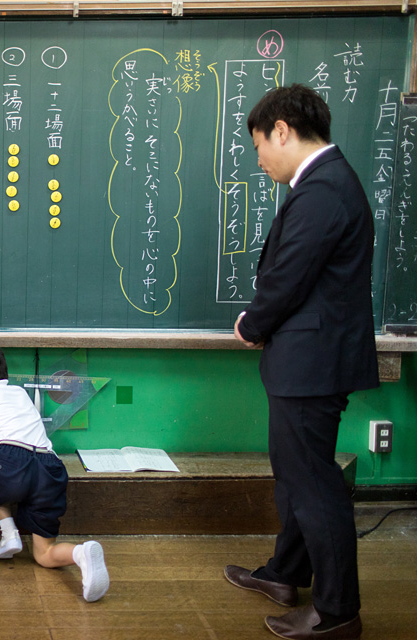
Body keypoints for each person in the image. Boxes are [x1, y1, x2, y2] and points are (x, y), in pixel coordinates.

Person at [225, 84, 378, 640]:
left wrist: (252, 324)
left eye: (259, 145)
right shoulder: (323, 183)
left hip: (312, 364)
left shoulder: (322, 191)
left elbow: (289, 277)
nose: (259, 158)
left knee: (313, 485)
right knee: (300, 478)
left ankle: (338, 612)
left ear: (282, 130)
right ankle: (287, 574)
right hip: (309, 359)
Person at [0, 341, 109, 602]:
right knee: (43, 554)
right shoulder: (18, 393)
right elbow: (0, 437)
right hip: (50, 468)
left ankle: (10, 535)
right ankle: (80, 553)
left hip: (12, 465)